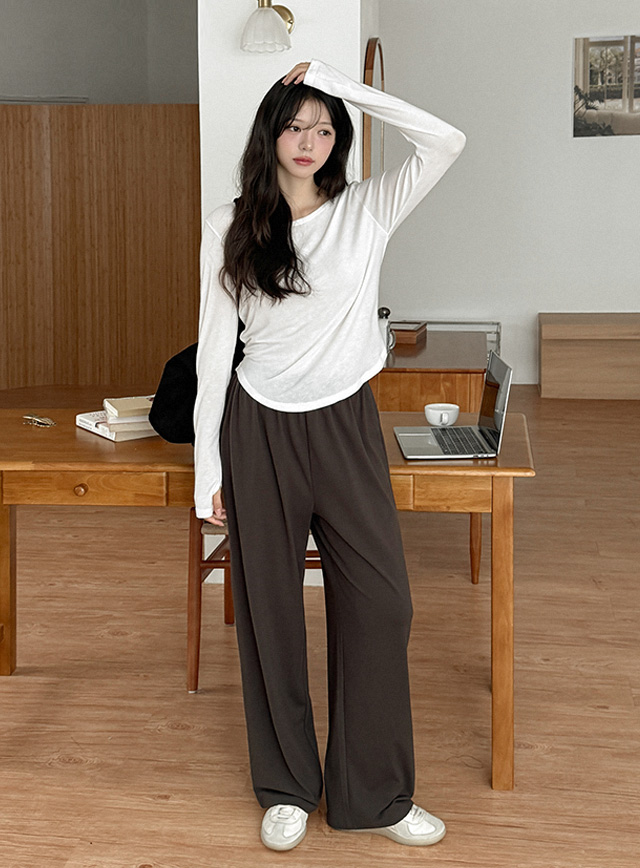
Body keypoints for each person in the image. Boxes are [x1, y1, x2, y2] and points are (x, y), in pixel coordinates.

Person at [193, 59, 466, 852]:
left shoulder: (368, 208)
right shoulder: (230, 223)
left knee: (382, 605)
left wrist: (347, 86)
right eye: (294, 125)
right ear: (271, 135)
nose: (308, 139)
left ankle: (374, 795)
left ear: (338, 135)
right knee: (270, 613)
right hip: (259, 428)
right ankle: (286, 787)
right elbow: (213, 351)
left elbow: (447, 140)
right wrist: (209, 468)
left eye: (323, 127)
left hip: (346, 424)